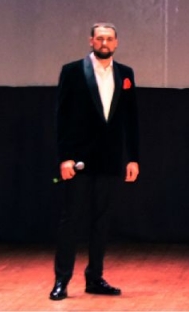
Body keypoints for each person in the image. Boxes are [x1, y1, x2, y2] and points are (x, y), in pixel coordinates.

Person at [50, 23, 141, 301]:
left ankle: (95, 278)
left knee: (101, 221)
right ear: (91, 41)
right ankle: (61, 280)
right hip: (79, 159)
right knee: (71, 220)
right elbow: (62, 117)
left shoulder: (125, 74)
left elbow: (130, 119)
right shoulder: (72, 71)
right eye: (100, 38)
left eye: (109, 39)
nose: (104, 43)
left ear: (116, 43)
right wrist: (65, 157)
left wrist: (133, 158)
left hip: (110, 158)